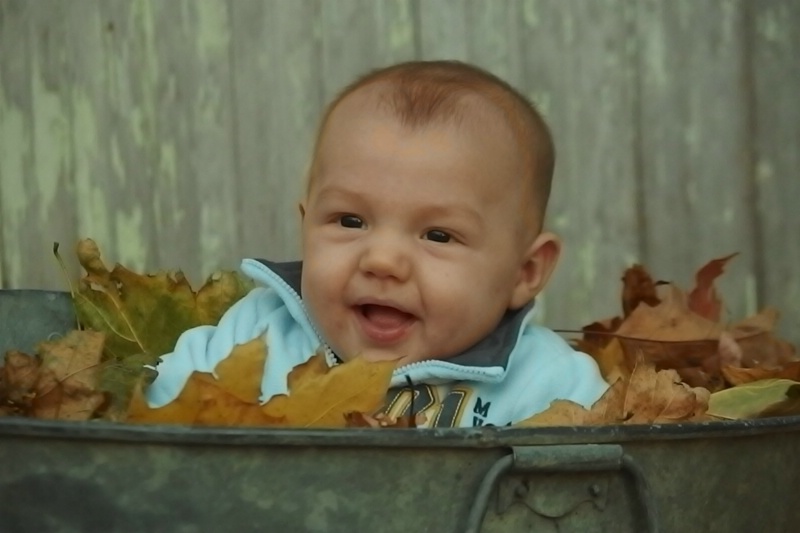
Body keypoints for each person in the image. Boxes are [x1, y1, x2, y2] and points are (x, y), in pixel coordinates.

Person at [146, 60, 608, 427]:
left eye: (438, 235)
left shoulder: (550, 387)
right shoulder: (252, 339)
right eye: (350, 221)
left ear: (524, 272)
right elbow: (156, 437)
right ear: (307, 226)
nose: (383, 260)